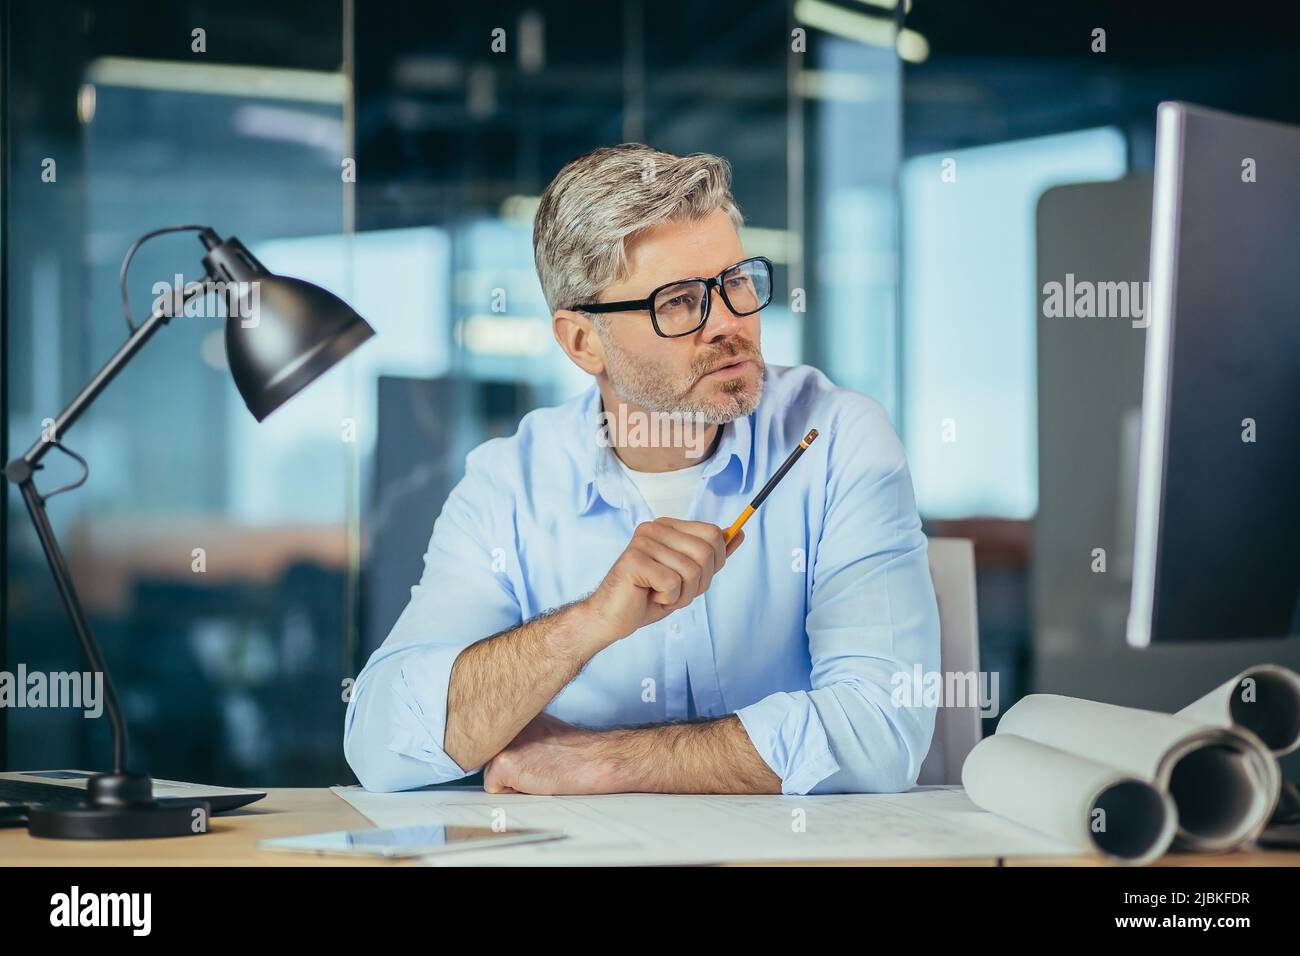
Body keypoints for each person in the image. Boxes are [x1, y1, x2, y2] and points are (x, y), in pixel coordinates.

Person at [345, 144, 939, 796]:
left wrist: (601, 762)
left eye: (737, 281)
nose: (729, 322)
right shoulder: (510, 485)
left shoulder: (837, 439)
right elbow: (381, 743)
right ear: (582, 342)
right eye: (680, 301)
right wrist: (589, 622)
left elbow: (881, 733)